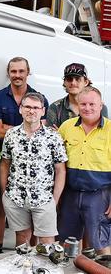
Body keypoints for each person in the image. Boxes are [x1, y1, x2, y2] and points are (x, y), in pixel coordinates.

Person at [0, 56, 49, 254]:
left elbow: (42, 127)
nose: (17, 75)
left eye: (21, 71)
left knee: (31, 211)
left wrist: (11, 129)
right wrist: (24, 129)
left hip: (33, 165)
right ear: (9, 73)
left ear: (27, 72)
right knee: (0, 204)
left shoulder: (39, 98)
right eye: (13, 71)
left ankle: (30, 251)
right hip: (4, 159)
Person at [0, 92, 67, 246]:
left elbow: (60, 170)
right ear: (20, 109)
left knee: (47, 243)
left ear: (43, 111)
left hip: (44, 198)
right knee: (22, 240)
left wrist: (54, 200)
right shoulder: (11, 135)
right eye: (27, 106)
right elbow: (5, 163)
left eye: (36, 107)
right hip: (16, 197)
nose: (31, 111)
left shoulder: (53, 137)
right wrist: (5, 193)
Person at [58, 86, 111, 255]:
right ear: (78, 106)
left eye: (92, 104)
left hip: (99, 194)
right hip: (70, 193)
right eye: (83, 104)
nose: (87, 108)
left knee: (100, 242)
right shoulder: (66, 127)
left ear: (101, 105)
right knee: (67, 242)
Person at [47, 63, 108, 128]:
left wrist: (62, 134)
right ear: (64, 82)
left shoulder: (99, 107)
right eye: (69, 79)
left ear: (86, 82)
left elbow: (103, 133)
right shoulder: (55, 108)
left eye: (77, 79)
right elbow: (52, 135)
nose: (73, 83)